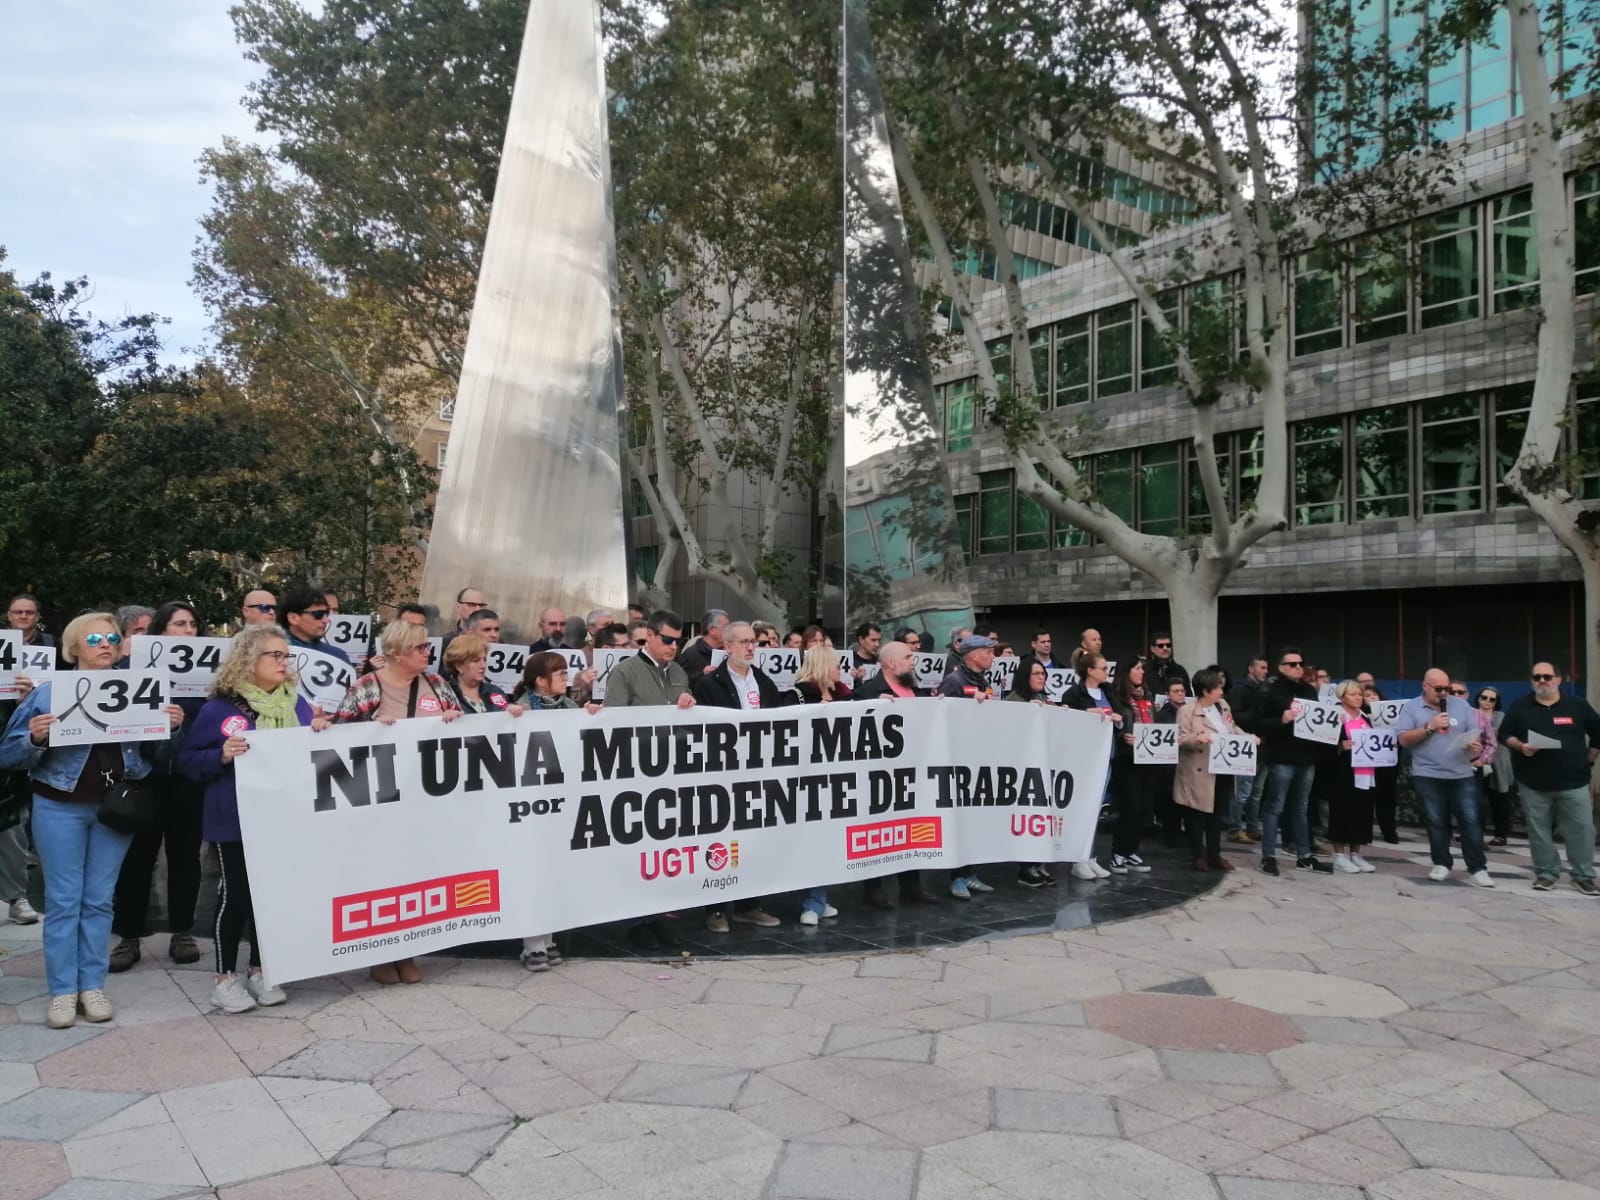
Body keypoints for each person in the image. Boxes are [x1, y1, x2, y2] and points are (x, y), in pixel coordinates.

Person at [0, 613, 184, 1029]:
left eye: (112, 638)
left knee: (99, 899)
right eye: (95, 638)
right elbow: (7, 753)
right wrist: (33, 737)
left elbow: (159, 756)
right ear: (74, 647)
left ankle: (92, 985)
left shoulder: (141, 691)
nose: (105, 644)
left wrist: (170, 728)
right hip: (59, 805)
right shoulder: (47, 694)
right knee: (65, 901)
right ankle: (64, 992)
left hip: (114, 809)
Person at [179, 624, 329, 1012]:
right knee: (237, 895)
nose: (283, 662)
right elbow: (189, 762)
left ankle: (261, 968)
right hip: (236, 819)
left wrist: (320, 732)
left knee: (273, 897)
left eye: (286, 656)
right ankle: (224, 977)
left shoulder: (297, 704)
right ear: (249, 660)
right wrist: (221, 755)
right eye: (274, 655)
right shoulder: (219, 709)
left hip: (284, 818)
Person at [332, 619, 463, 981]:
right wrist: (369, 727)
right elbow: (337, 739)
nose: (427, 653)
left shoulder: (436, 685)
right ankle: (380, 953)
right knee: (381, 876)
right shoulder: (366, 687)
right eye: (420, 648)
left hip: (425, 800)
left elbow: (462, 730)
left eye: (427, 647)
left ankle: (407, 949)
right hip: (380, 802)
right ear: (395, 653)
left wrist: (454, 719)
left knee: (416, 873)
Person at [110, 601, 209, 973]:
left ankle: (181, 932)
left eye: (192, 624)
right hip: (143, 779)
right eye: (179, 624)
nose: (187, 631)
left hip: (187, 778)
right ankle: (129, 936)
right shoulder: (128, 668)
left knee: (185, 858)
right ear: (160, 631)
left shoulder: (207, 676)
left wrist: (184, 722)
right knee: (136, 860)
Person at [692, 622, 796, 929]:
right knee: (721, 840)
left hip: (758, 772)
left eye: (754, 642)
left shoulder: (763, 681)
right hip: (723, 774)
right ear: (727, 647)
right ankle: (715, 909)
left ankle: (749, 904)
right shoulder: (710, 684)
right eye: (744, 642)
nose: (751, 648)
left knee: (754, 839)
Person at [602, 610, 695, 952]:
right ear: (651, 637)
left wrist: (688, 705)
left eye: (678, 641)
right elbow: (612, 723)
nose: (673, 646)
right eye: (668, 640)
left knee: (662, 849)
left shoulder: (680, 672)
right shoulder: (625, 672)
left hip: (671, 772)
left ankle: (657, 916)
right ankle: (636, 921)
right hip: (636, 774)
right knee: (636, 850)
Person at [1499, 662, 1600, 896]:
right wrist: (1521, 746)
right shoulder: (1521, 706)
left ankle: (1583, 876)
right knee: (1539, 831)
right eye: (1537, 677)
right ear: (1531, 680)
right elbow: (1505, 734)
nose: (1542, 681)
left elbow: (1598, 732)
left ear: (1558, 679)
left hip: (1573, 781)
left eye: (1547, 676)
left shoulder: (1577, 705)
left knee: (1583, 830)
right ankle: (1546, 874)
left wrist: (1590, 759)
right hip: (1533, 782)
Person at [854, 643, 941, 909]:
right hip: (879, 774)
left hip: (913, 771)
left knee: (912, 828)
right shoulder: (867, 692)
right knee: (878, 830)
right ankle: (874, 888)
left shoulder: (917, 691)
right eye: (908, 657)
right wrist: (869, 707)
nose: (913, 661)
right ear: (891, 663)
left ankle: (911, 885)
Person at [1395, 668, 1491, 887]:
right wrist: (1429, 727)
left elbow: (1475, 733)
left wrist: (1475, 745)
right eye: (1438, 689)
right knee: (1436, 821)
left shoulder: (1461, 705)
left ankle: (1478, 867)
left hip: (1461, 773)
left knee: (1470, 821)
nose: (1444, 693)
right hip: (1428, 773)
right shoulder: (1412, 707)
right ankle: (1441, 863)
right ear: (1425, 686)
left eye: (1447, 688)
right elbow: (1403, 740)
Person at [1236, 647, 1320, 876]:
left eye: (1300, 663)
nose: (1298, 668)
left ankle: (1304, 855)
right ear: (1281, 667)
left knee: (1301, 807)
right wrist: (1280, 720)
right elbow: (1256, 723)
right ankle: (1269, 856)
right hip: (1282, 757)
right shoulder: (1269, 690)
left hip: (1306, 757)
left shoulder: (1309, 690)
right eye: (1292, 664)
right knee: (1275, 806)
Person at [940, 635, 1006, 897]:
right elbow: (942, 714)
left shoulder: (983, 681)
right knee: (958, 820)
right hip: (958, 760)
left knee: (971, 820)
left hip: (976, 757)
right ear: (974, 655)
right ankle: (956, 877)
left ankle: (969, 872)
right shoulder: (954, 680)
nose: (993, 657)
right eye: (989, 652)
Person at [1174, 669, 1246, 872]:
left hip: (1222, 766)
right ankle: (1198, 854)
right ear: (1206, 691)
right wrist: (1198, 737)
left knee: (1217, 813)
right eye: (1217, 688)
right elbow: (1181, 738)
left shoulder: (1223, 706)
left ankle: (1215, 854)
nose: (1221, 692)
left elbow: (1232, 728)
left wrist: (1247, 737)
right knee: (1196, 813)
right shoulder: (1187, 711)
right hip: (1198, 769)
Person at [1063, 653, 1120, 881]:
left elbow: (1119, 715)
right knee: (1083, 807)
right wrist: (1089, 714)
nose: (1106, 672)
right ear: (1090, 670)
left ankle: (1091, 856)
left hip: (1106, 755)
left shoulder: (1108, 692)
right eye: (1103, 668)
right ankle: (1079, 858)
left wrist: (1117, 719)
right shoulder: (1075, 693)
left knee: (1097, 808)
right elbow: (1067, 717)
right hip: (1085, 758)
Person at [1007, 659, 1059, 889]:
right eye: (1036, 673)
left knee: (1042, 816)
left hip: (1044, 766)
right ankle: (1025, 867)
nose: (1041, 677)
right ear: (1025, 676)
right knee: (1028, 816)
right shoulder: (1014, 700)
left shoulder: (1043, 699)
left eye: (1043, 674)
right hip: (1023, 769)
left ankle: (1038, 863)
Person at [1107, 659, 1158, 876]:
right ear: (1126, 672)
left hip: (1148, 758)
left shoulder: (1147, 696)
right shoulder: (1116, 697)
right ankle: (1118, 852)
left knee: (1145, 808)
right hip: (1127, 760)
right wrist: (1122, 737)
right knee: (1130, 807)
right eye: (1136, 668)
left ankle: (1131, 851)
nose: (1141, 672)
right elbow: (1113, 726)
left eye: (1141, 668)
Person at [1328, 680, 1378, 873]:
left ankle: (1356, 853)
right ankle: (1340, 855)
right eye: (1353, 694)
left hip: (1366, 771)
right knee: (1342, 811)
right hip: (1343, 772)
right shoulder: (1336, 716)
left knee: (1362, 811)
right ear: (1342, 697)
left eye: (1359, 694)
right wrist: (1340, 745)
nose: (1358, 697)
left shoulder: (1366, 716)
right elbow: (1324, 743)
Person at [1224, 656, 1269, 844]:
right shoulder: (1239, 690)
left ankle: (1252, 826)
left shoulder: (1266, 690)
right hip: (1246, 745)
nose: (1265, 671)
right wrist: (1257, 714)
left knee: (1257, 791)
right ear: (1251, 669)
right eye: (1262, 667)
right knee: (1243, 790)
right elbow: (1234, 717)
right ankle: (1235, 828)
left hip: (1263, 745)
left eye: (1267, 668)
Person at [1472, 686, 1515, 846]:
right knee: (1475, 799)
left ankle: (1500, 834)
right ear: (1478, 698)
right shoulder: (1471, 714)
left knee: (1499, 799)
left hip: (1498, 762)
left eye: (1492, 699)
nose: (1487, 701)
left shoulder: (1501, 717)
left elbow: (1501, 736)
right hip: (1476, 761)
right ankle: (1473, 833)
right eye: (1484, 697)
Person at [443, 634, 525, 714]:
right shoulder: (444, 693)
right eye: (476, 661)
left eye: (484, 660)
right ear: (459, 666)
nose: (483, 665)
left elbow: (504, 714)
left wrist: (511, 709)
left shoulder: (494, 691)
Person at [281, 587, 350, 664]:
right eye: (318, 614)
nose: (326, 620)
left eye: (326, 614)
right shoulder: (272, 652)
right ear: (293, 618)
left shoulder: (338, 656)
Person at [679, 609, 730, 677]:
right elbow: (679, 682)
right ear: (712, 630)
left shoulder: (729, 653)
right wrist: (703, 674)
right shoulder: (690, 655)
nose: (730, 630)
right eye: (726, 627)